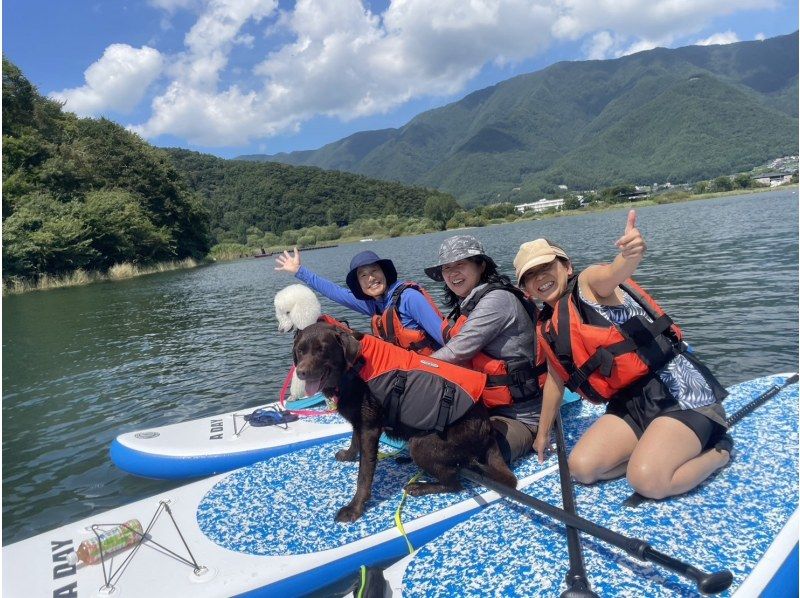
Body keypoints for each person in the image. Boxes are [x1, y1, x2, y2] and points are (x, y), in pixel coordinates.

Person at [516, 210, 732, 500]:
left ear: (567, 267)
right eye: (529, 276)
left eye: (546, 267)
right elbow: (556, 380)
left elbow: (614, 272)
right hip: (629, 404)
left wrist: (631, 254)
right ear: (527, 290)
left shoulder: (589, 285)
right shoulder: (548, 326)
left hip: (680, 394)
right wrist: (542, 434)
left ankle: (719, 451)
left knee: (648, 482)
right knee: (581, 469)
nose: (539, 277)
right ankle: (655, 447)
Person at [424, 235, 547, 464]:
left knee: (457, 455)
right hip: (486, 409)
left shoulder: (497, 300)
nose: (452, 273)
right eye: (447, 268)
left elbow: (455, 353)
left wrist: (406, 368)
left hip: (523, 418)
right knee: (424, 436)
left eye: (460, 264)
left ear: (480, 265)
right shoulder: (469, 304)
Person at [275, 247, 445, 354]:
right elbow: (334, 292)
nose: (371, 278)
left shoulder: (409, 298)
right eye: (363, 275)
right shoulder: (374, 303)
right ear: (359, 283)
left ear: (384, 272)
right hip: (410, 369)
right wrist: (299, 271)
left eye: (374, 270)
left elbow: (447, 340)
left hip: (433, 368)